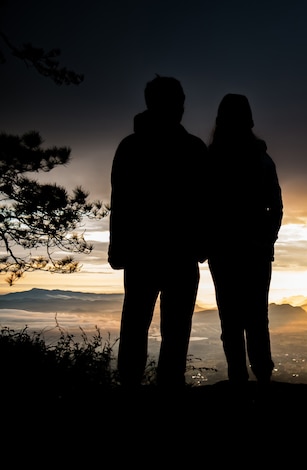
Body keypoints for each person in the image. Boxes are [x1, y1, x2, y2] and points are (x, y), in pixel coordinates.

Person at [108, 75, 209, 391]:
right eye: (177, 101)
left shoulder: (131, 146)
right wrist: (201, 246)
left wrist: (118, 249)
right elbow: (205, 203)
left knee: (137, 325)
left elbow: (120, 201)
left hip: (142, 253)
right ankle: (168, 390)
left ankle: (130, 387)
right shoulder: (193, 148)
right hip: (179, 254)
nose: (180, 108)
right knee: (174, 330)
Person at [206, 93, 283, 391]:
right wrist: (266, 241)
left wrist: (209, 242)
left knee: (231, 320)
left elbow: (203, 205)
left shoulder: (212, 159)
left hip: (224, 252)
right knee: (256, 319)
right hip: (254, 253)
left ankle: (238, 378)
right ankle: (262, 377)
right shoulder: (262, 159)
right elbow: (275, 208)